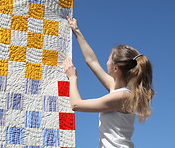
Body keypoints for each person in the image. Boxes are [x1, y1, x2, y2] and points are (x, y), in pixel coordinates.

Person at [63, 17, 155, 148]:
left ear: (116, 68)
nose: (106, 61)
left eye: (108, 58)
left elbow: (76, 105)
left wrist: (72, 78)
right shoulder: (118, 90)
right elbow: (92, 61)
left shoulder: (122, 96)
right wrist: (77, 31)